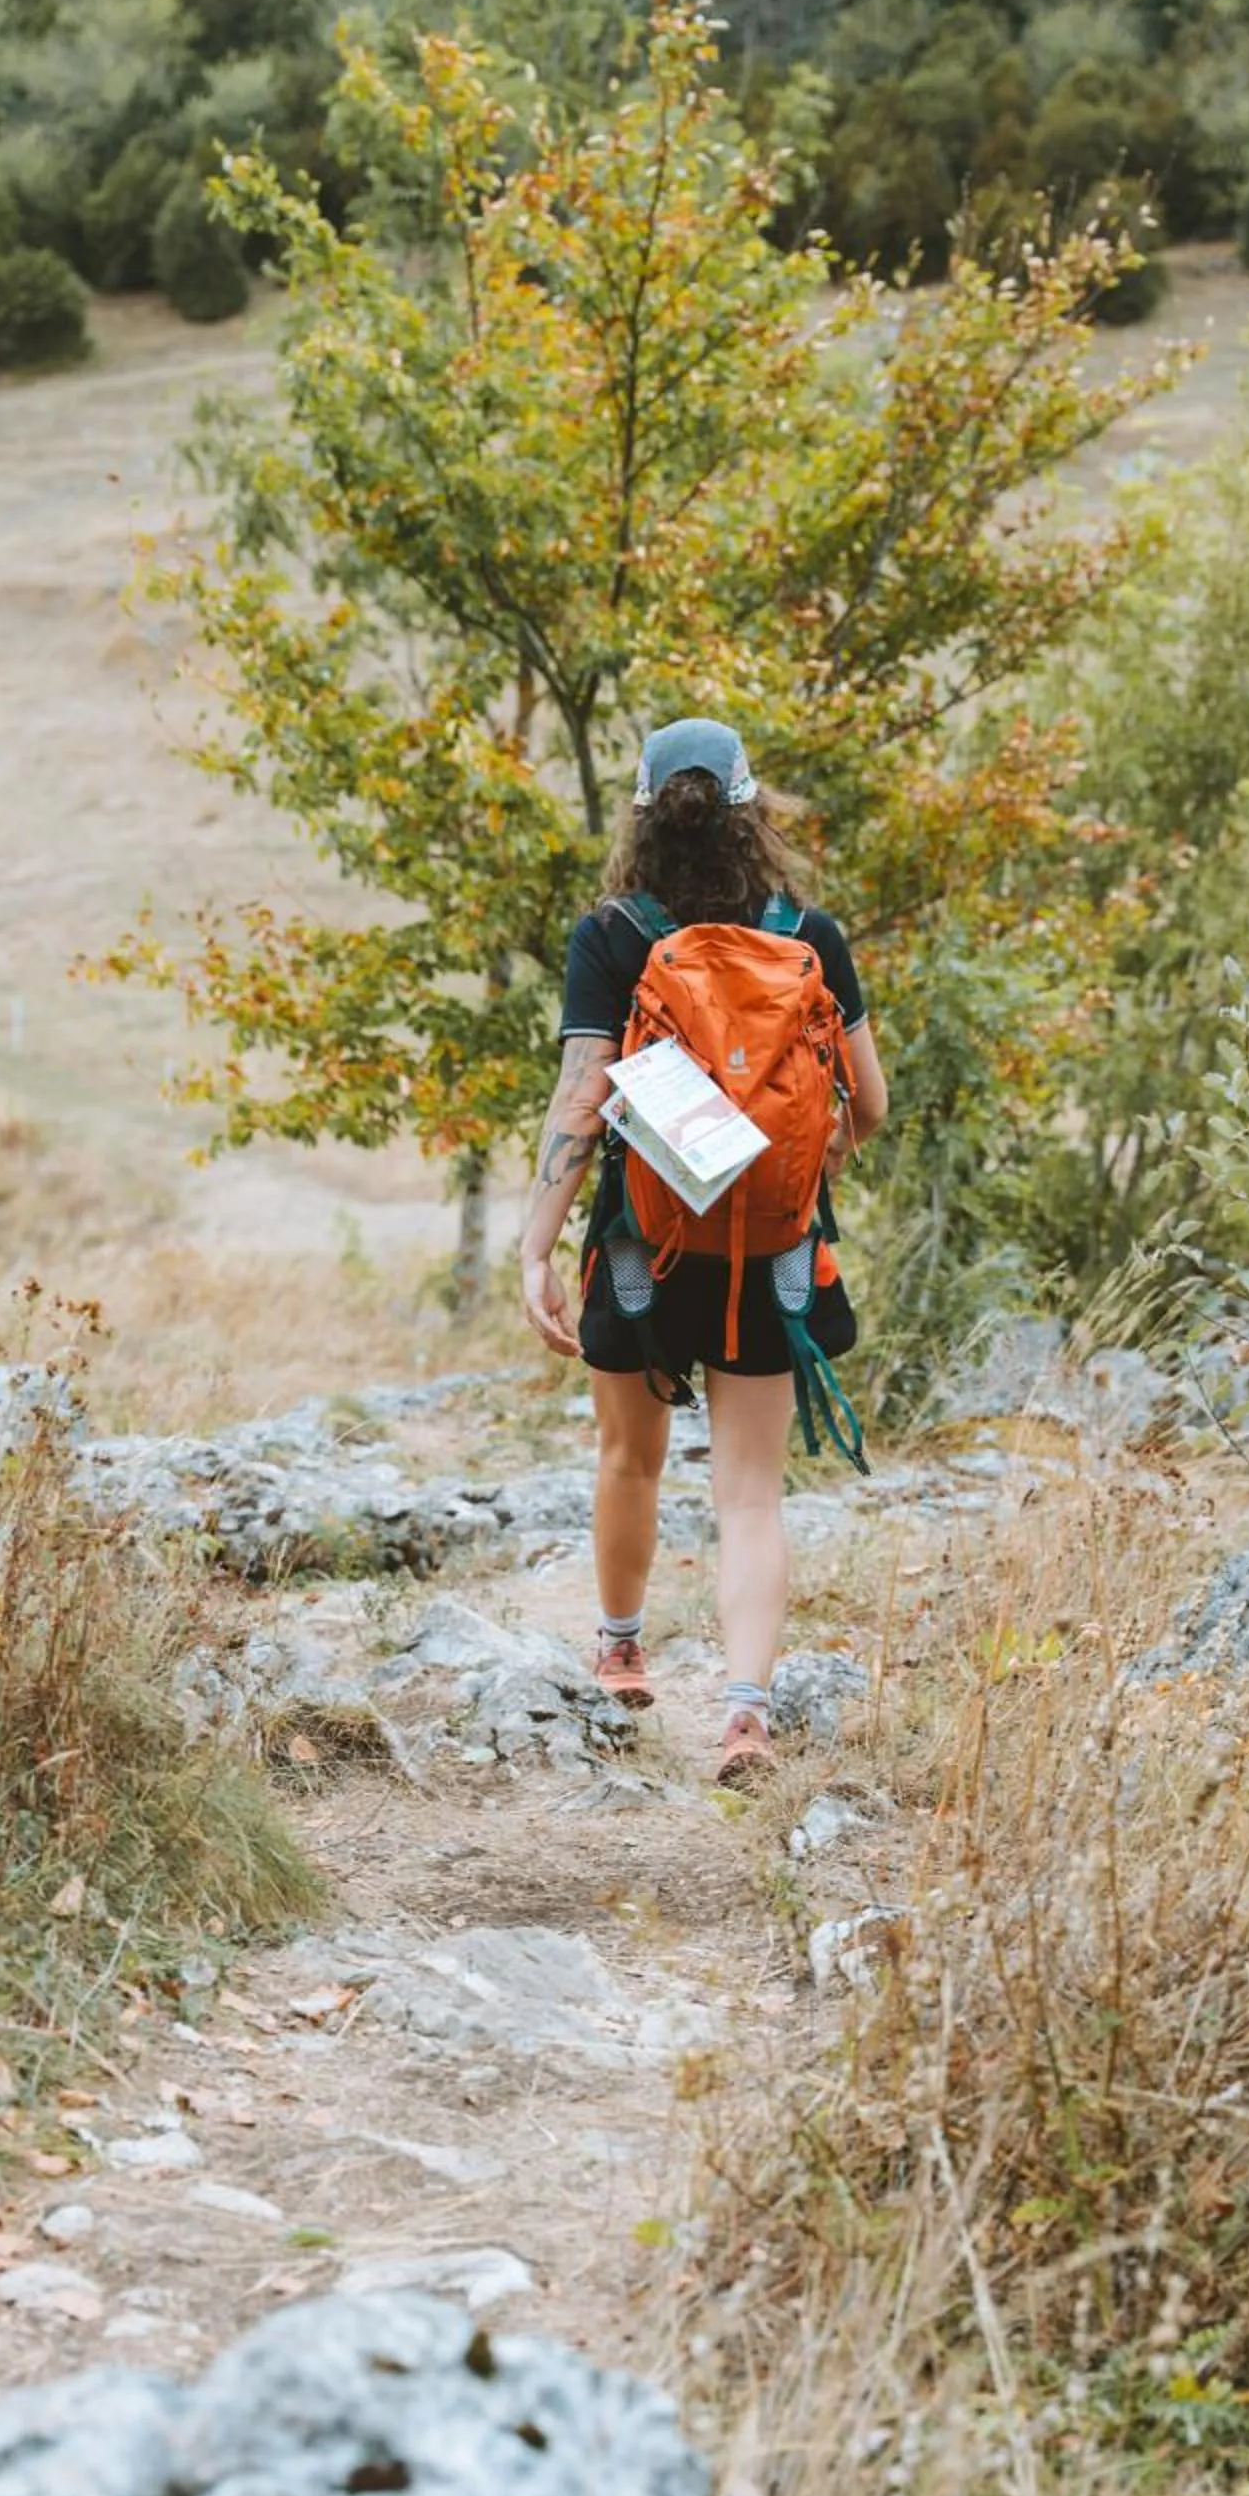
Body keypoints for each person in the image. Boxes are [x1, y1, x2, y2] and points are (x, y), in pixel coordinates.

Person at [518, 717, 889, 1785]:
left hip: (643, 1247)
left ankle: (623, 1650)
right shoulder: (809, 932)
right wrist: (800, 1172)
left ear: (639, 811)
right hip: (773, 1251)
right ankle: (742, 1716)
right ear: (751, 810)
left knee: (628, 1457)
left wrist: (537, 1245)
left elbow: (583, 1099)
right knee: (749, 1496)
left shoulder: (612, 934)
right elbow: (867, 1102)